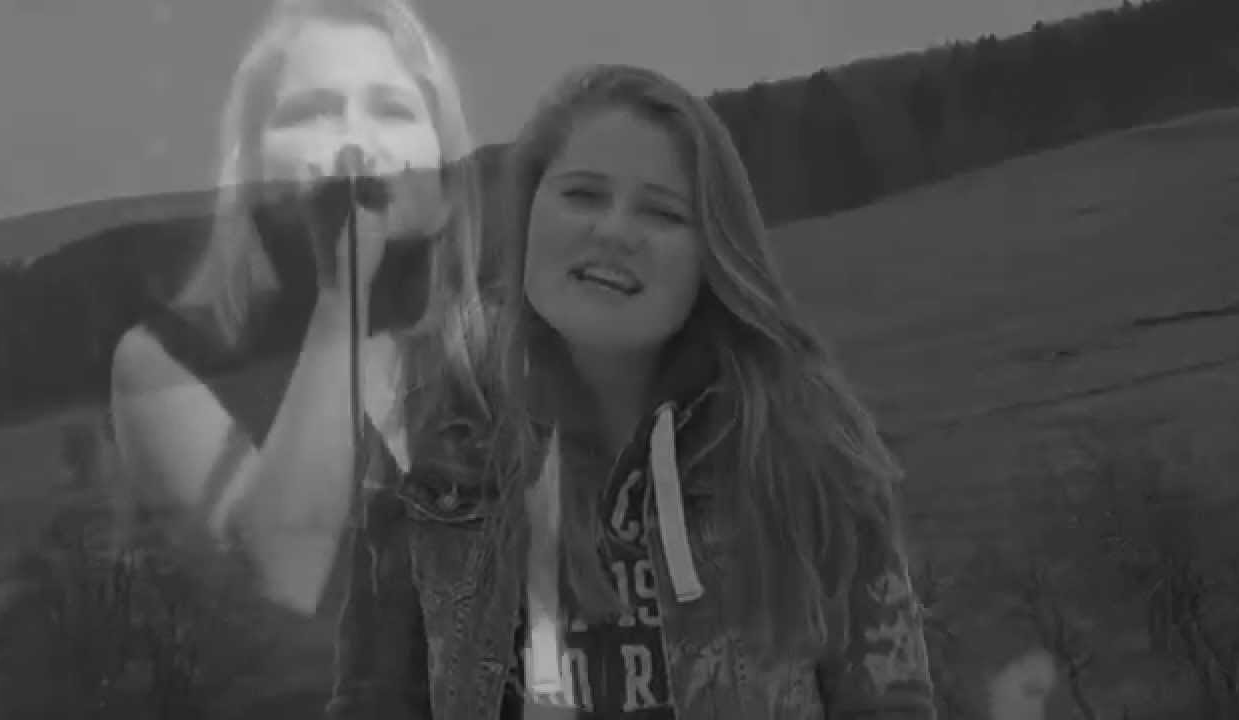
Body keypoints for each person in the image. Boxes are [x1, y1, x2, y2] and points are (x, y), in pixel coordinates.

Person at [330, 63, 936, 719]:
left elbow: (891, 704)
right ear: (529, 213)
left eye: (663, 213)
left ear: (712, 254)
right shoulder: (434, 444)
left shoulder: (804, 445)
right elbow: (374, 702)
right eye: (583, 195)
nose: (616, 232)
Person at [109, 0, 487, 619]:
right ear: (251, 172)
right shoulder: (166, 361)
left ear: (446, 183)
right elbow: (278, 591)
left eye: (392, 110)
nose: (353, 143)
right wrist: (342, 299)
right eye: (312, 113)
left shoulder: (502, 356)